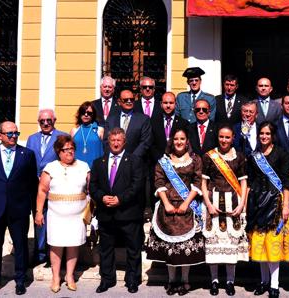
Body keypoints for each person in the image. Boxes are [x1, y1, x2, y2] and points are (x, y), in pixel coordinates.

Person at [0, 121, 38, 296]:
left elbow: (31, 183)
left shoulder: (27, 154)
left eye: (16, 134)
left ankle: (21, 280)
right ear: (0, 135)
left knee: (20, 246)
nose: (13, 137)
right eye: (10, 133)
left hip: (18, 208)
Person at [146, 127, 205, 295]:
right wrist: (167, 204)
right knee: (170, 249)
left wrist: (186, 203)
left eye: (182, 139)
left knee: (184, 249)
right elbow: (159, 182)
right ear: (171, 141)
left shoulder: (195, 160)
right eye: (176, 139)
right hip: (168, 207)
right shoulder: (163, 161)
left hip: (187, 206)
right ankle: (172, 280)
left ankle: (185, 280)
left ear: (187, 142)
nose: (179, 142)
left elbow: (198, 181)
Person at [90, 128, 145, 293]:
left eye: (118, 140)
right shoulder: (98, 162)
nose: (115, 143)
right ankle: (107, 279)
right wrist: (101, 197)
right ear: (108, 142)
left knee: (133, 248)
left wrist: (120, 199)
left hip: (128, 212)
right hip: (106, 213)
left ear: (124, 142)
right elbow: (93, 185)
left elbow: (137, 185)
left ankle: (133, 279)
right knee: (106, 249)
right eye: (112, 140)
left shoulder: (135, 161)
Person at [34, 135, 90, 293]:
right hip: (56, 214)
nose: (69, 152)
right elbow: (42, 191)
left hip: (77, 214)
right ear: (58, 151)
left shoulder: (84, 166)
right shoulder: (50, 168)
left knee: (73, 244)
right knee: (56, 245)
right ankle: (56, 277)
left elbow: (91, 189)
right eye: (66, 149)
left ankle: (70, 276)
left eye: (72, 149)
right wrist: (39, 212)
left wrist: (91, 210)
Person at [201, 124, 249, 296]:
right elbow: (204, 183)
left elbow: (243, 182)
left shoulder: (240, 157)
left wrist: (242, 203)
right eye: (221, 136)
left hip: (233, 204)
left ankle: (230, 282)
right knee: (214, 245)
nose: (224, 140)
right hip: (213, 203)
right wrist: (208, 204)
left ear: (233, 138)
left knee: (231, 245)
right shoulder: (209, 157)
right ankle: (214, 281)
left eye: (227, 137)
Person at [246, 122, 289, 298]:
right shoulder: (254, 156)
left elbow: (286, 181)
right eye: (261, 133)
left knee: (272, 245)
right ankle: (263, 281)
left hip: (275, 202)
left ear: (273, 135)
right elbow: (250, 181)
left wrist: (286, 205)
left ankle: (274, 284)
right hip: (257, 202)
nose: (264, 136)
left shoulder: (282, 154)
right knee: (260, 245)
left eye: (267, 133)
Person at [26, 109, 68, 266]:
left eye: (48, 120)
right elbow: (29, 160)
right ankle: (40, 253)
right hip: (35, 187)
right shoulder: (32, 139)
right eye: (42, 121)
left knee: (55, 220)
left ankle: (55, 254)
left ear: (54, 120)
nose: (45, 123)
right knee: (39, 219)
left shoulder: (62, 137)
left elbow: (66, 160)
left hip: (55, 185)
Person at [149, 92, 189, 209]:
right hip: (157, 165)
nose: (168, 106)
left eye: (171, 103)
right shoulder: (153, 121)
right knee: (158, 195)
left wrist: (173, 160)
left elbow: (185, 144)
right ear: (161, 104)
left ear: (175, 104)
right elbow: (150, 143)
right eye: (165, 103)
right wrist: (162, 160)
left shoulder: (183, 123)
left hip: (177, 166)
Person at [107, 89, 153, 157]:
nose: (129, 101)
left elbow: (145, 142)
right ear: (119, 102)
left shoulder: (143, 119)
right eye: (126, 100)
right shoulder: (111, 119)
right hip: (115, 159)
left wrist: (132, 158)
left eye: (131, 99)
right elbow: (106, 140)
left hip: (135, 161)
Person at [70, 102, 104, 169]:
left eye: (89, 113)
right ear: (80, 114)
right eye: (83, 112)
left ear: (93, 115)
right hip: (77, 168)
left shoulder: (99, 130)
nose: (86, 115)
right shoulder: (74, 131)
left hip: (95, 168)